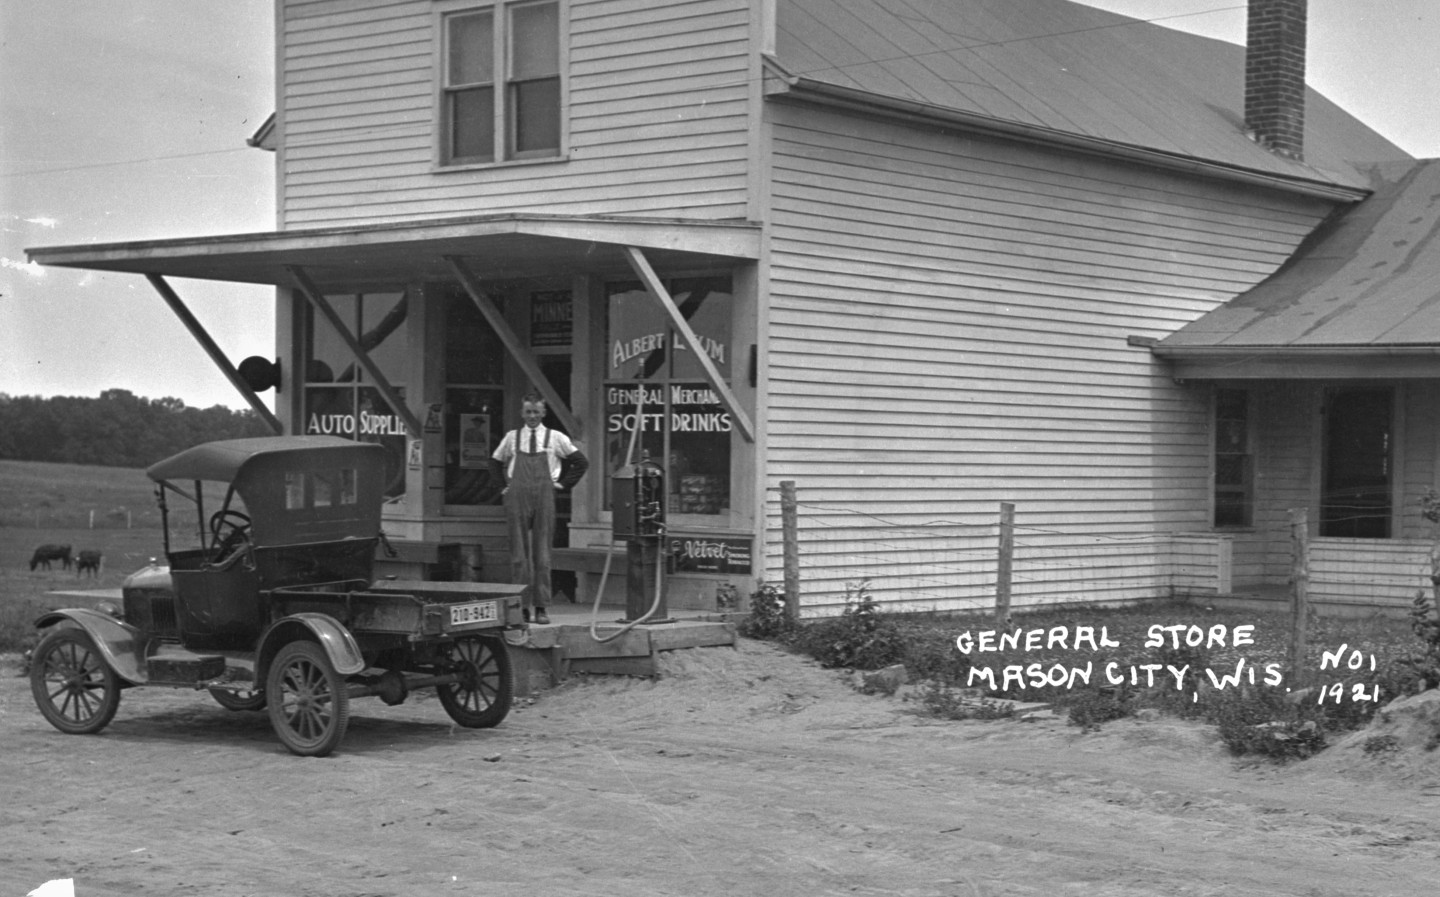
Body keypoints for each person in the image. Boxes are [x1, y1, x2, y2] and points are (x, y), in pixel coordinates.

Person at [490, 394, 588, 625]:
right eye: (528, 412)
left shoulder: (556, 438)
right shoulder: (512, 438)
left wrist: (563, 484)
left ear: (543, 413)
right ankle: (521, 608)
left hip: (544, 494)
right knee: (518, 555)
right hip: (517, 495)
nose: (532, 416)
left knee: (542, 554)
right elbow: (494, 462)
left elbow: (581, 462)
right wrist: (502, 487)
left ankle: (541, 607)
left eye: (536, 412)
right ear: (522, 413)